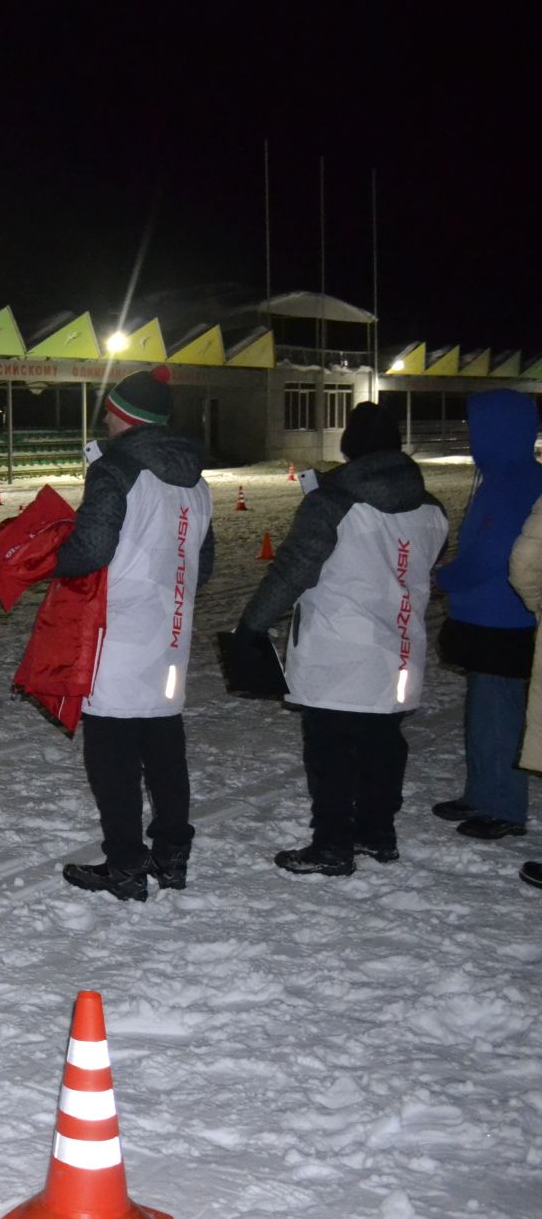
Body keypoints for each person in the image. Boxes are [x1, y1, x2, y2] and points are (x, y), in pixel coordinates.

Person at [232, 403, 448, 875]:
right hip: (400, 648)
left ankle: (332, 844)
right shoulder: (432, 509)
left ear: (351, 445)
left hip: (337, 648)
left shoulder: (332, 503)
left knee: (330, 752)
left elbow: (293, 569)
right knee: (383, 744)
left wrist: (253, 625)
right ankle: (377, 832)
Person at [50, 366, 214, 901]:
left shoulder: (116, 470)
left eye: (110, 409)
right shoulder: (197, 480)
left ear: (123, 415)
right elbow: (202, 562)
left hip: (116, 633)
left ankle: (124, 864)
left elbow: (91, 548)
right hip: (170, 633)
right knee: (163, 743)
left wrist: (56, 558)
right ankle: (171, 854)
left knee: (113, 750)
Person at [431, 388, 542, 840]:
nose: (472, 437)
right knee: (484, 711)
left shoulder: (515, 482)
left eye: (477, 428)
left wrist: (447, 578)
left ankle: (503, 806)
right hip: (488, 617)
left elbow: (495, 554)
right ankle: (482, 793)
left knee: (499, 715)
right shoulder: (503, 476)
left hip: (504, 620)